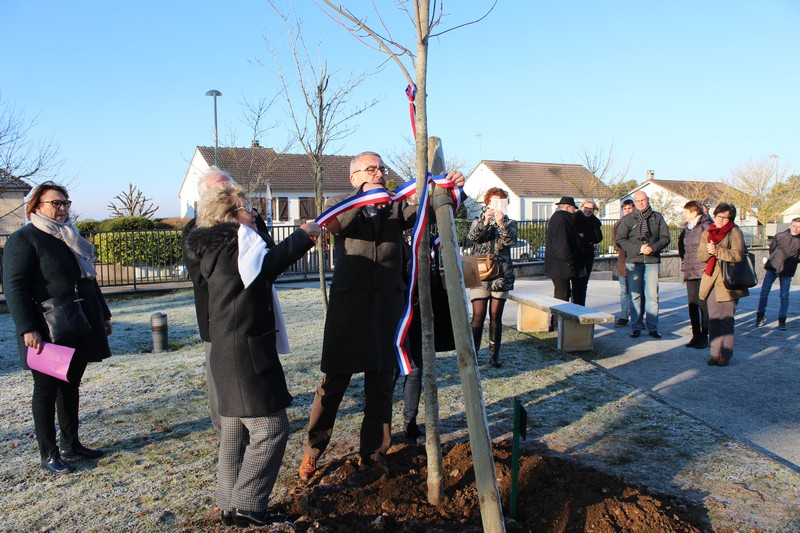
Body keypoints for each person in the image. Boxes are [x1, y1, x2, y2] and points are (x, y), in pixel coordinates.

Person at [298, 151, 465, 480]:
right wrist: (366, 196)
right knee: (332, 387)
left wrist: (451, 187)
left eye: (381, 168)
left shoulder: (396, 206)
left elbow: (427, 209)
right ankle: (313, 450)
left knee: (380, 388)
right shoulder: (341, 202)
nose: (378, 174)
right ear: (353, 177)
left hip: (386, 311)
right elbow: (335, 222)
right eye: (370, 169)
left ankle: (374, 451)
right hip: (348, 313)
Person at [184, 185, 320, 527]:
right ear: (230, 216)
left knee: (233, 434)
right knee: (272, 428)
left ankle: (229, 505)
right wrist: (303, 235)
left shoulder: (217, 246)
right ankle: (250, 504)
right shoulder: (237, 241)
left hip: (227, 352)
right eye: (248, 209)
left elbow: (260, 268)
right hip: (245, 355)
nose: (254, 214)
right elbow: (266, 268)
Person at [3, 182, 112, 474]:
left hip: (77, 322)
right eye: (56, 203)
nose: (62, 208)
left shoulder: (69, 237)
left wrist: (103, 313)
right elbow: (15, 288)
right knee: (46, 389)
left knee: (70, 385)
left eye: (66, 203)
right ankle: (49, 453)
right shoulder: (24, 239)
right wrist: (28, 327)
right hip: (46, 328)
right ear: (37, 206)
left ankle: (71, 444)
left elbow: (87, 279)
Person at [183, 166, 269, 435]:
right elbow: (205, 278)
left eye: (229, 187)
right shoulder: (195, 232)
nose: (228, 193)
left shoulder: (252, 220)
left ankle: (252, 423)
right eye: (220, 189)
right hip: (217, 321)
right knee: (221, 387)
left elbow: (268, 255)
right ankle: (229, 436)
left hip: (252, 317)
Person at [468, 187, 518, 368]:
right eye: (493, 202)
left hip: (502, 273)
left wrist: (501, 224)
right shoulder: (478, 219)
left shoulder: (510, 222)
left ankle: (494, 355)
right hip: (479, 272)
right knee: (478, 315)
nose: (496, 206)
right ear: (487, 203)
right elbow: (472, 237)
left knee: (496, 315)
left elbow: (510, 242)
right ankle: (473, 354)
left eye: (501, 202)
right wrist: (486, 221)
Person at [698, 203, 748, 366]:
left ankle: (725, 354)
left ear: (730, 219)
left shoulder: (735, 232)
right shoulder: (708, 231)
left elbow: (738, 255)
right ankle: (714, 353)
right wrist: (709, 250)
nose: (720, 220)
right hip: (711, 279)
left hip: (728, 281)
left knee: (726, 319)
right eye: (718, 215)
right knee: (713, 318)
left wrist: (718, 250)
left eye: (724, 217)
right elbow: (701, 255)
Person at [615, 191, 670, 339]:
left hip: (652, 261)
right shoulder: (628, 220)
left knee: (652, 296)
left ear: (648, 200)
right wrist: (638, 249)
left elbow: (665, 238)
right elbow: (620, 239)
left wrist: (653, 247)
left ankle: (652, 327)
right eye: (637, 201)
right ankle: (636, 327)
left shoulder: (657, 217)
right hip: (634, 261)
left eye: (643, 200)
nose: (640, 203)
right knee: (634, 296)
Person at [678, 201, 712, 348]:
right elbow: (681, 247)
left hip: (703, 270)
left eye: (686, 211)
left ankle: (705, 335)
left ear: (694, 212)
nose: (685, 214)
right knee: (692, 304)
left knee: (703, 304)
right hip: (690, 270)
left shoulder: (706, 225)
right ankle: (695, 335)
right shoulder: (686, 229)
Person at [756, 217, 800, 331]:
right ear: (790, 225)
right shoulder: (780, 236)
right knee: (764, 292)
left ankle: (782, 319)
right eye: (794, 225)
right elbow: (772, 249)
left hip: (787, 271)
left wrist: (792, 262)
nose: (796, 228)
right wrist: (775, 260)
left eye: (799, 227)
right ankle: (760, 315)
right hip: (773, 267)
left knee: (784, 296)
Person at [544, 196, 585, 304]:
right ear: (567, 207)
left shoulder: (561, 218)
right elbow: (561, 244)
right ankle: (558, 321)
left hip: (560, 265)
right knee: (562, 296)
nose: (574, 211)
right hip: (560, 265)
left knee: (563, 294)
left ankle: (560, 320)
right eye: (573, 208)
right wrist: (569, 262)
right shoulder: (561, 219)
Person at [573, 199, 604, 306]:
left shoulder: (595, 221)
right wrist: (587, 237)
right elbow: (574, 235)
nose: (588, 210)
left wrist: (584, 236)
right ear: (582, 207)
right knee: (575, 282)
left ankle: (581, 306)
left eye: (591, 209)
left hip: (588, 254)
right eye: (586, 208)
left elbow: (598, 238)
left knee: (583, 283)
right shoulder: (575, 218)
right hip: (575, 254)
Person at [613, 199, 635, 327]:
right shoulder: (618, 224)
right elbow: (617, 243)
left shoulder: (639, 223)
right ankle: (624, 315)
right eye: (625, 208)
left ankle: (636, 316)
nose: (627, 211)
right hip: (623, 261)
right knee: (624, 290)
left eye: (630, 208)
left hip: (636, 261)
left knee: (636, 292)